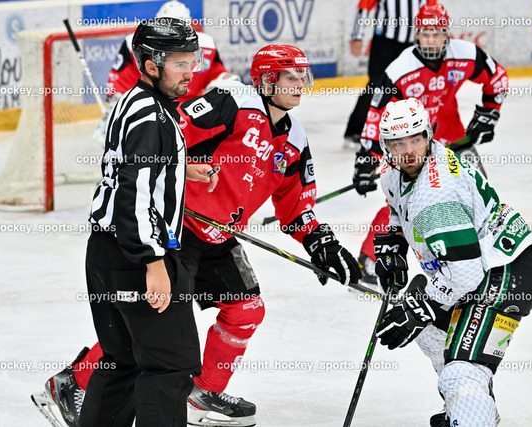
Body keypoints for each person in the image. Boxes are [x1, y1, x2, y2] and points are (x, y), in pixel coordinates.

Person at [33, 45, 362, 427]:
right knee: (152, 327)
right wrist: (184, 171)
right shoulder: (232, 102)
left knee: (246, 310)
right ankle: (73, 381)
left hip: (220, 239)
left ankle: (202, 394)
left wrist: (321, 242)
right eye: (290, 77)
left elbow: (296, 208)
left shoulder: (295, 142)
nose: (300, 84)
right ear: (267, 80)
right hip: (179, 229)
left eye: (301, 77)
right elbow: (169, 135)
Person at [32, 17, 218, 427]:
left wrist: (178, 168)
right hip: (136, 258)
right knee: (169, 368)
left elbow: (123, 169)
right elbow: (134, 197)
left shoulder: (132, 101)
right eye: (181, 63)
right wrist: (153, 264)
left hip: (105, 254)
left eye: (193, 60)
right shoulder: (152, 117)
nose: (192, 71)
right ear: (151, 65)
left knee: (123, 362)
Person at [372, 98, 532, 426]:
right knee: (429, 331)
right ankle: (465, 405)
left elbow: (464, 273)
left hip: (506, 272)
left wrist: (417, 307)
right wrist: (392, 243)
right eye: (398, 143)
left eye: (416, 139)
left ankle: (470, 406)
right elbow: (398, 209)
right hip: (488, 262)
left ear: (429, 135)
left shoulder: (436, 196)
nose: (409, 150)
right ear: (386, 146)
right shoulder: (394, 174)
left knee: (461, 372)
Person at [352, 3, 508, 286]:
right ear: (416, 35)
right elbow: (376, 115)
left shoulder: (465, 54)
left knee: (477, 192)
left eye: (437, 34)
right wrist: (367, 158)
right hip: (414, 147)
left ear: (447, 34)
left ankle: (484, 257)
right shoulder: (400, 69)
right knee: (403, 202)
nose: (431, 40)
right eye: (425, 34)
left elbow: (497, 77)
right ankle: (371, 257)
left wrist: (489, 114)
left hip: (452, 140)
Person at [93, 0, 239, 143]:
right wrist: (118, 110)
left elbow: (220, 76)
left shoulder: (207, 44)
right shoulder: (135, 44)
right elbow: (120, 83)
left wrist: (227, 89)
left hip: (191, 113)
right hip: (152, 108)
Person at [343, 0, 425, 146]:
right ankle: (356, 130)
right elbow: (364, 6)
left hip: (411, 43)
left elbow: (431, 10)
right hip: (384, 42)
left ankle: (409, 130)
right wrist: (356, 36)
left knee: (412, 85)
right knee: (376, 86)